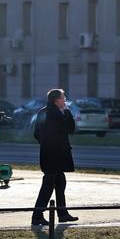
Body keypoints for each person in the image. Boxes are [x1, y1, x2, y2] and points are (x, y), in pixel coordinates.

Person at [31, 89, 79, 225]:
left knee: (60, 182)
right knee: (48, 185)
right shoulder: (57, 113)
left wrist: (45, 144)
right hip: (54, 155)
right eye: (63, 98)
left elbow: (36, 133)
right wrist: (68, 112)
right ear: (56, 100)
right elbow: (70, 128)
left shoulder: (43, 111)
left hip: (49, 154)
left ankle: (62, 214)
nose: (65, 100)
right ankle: (37, 216)